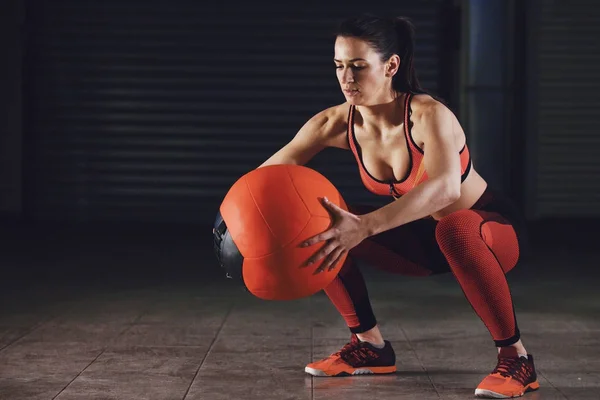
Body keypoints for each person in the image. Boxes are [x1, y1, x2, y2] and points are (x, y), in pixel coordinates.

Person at [258, 14, 538, 399]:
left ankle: (517, 359)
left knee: (452, 227)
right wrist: (230, 222)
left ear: (391, 66)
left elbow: (444, 190)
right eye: (339, 66)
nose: (346, 78)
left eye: (358, 66)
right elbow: (263, 179)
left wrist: (366, 226)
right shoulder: (334, 123)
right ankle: (370, 346)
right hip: (429, 241)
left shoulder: (427, 115)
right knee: (323, 223)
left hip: (489, 233)